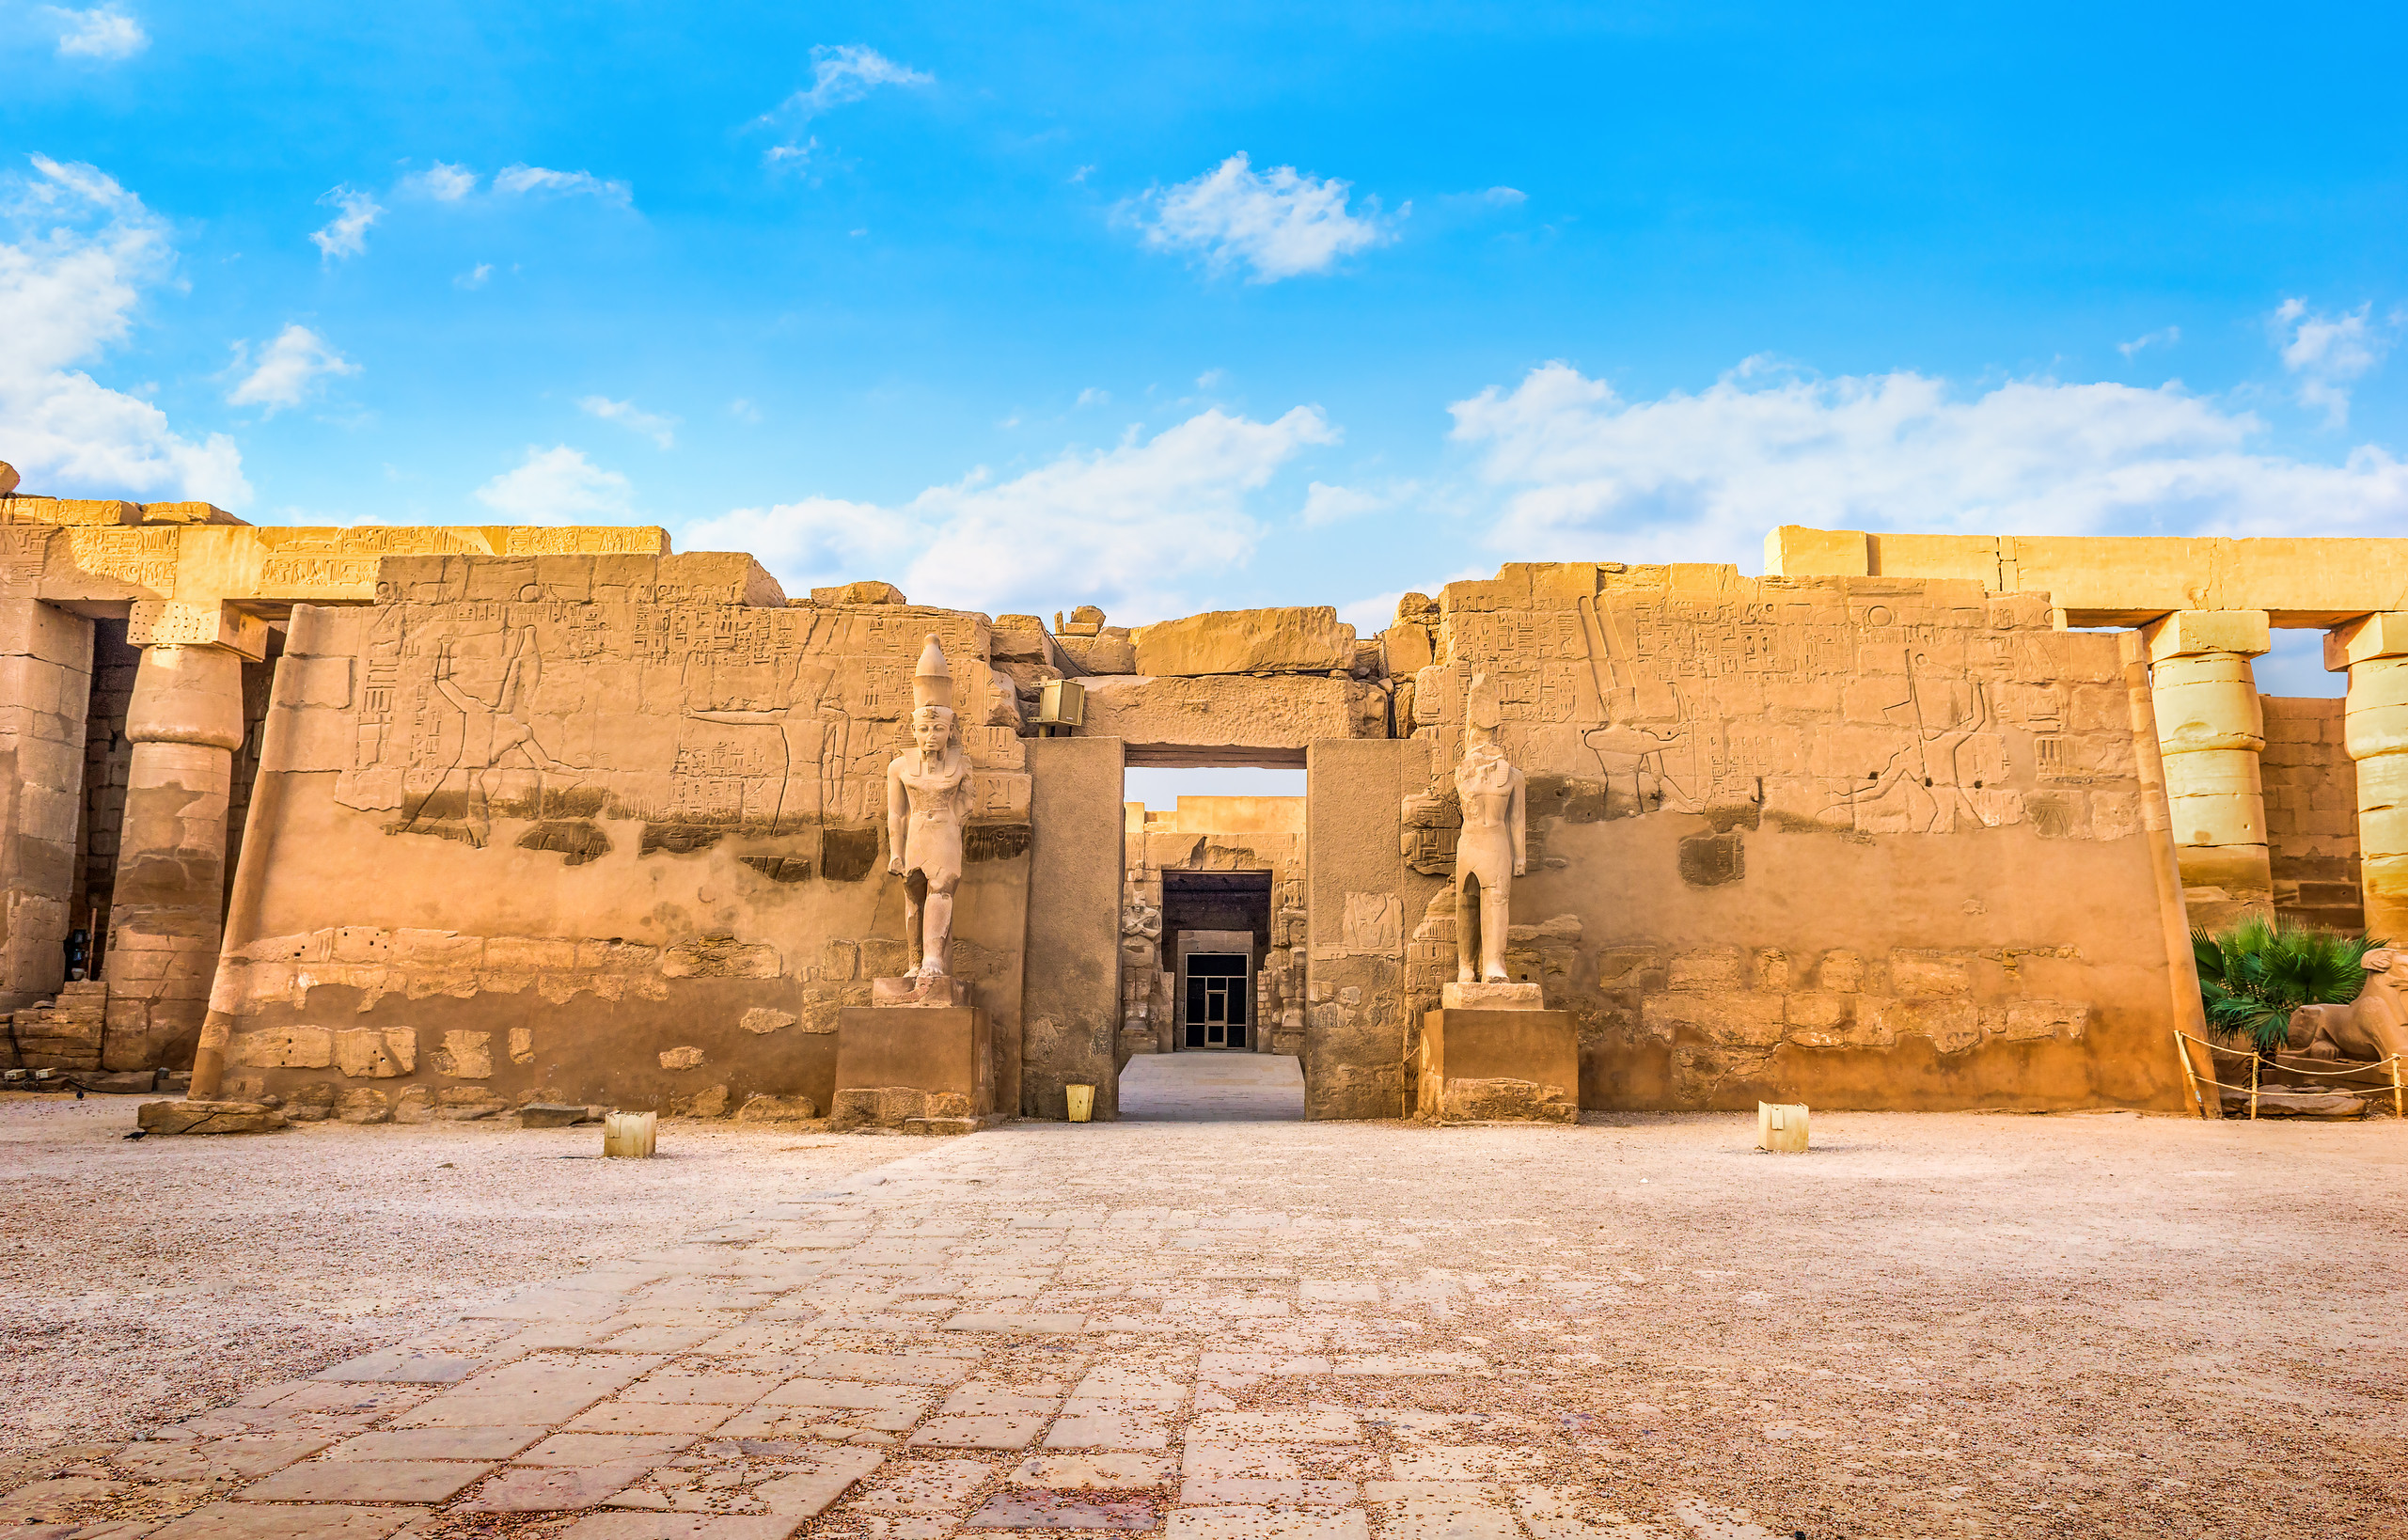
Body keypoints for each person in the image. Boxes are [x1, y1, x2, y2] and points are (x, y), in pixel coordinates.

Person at [887, 636, 973, 978]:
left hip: (946, 833)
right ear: (913, 730)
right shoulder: (899, 766)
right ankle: (914, 962)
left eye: (938, 729)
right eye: (924, 729)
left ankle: (933, 961)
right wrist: (895, 852)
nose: (931, 736)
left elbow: (967, 802)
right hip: (917, 833)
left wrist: (953, 824)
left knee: (941, 889)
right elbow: (896, 813)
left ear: (950, 730)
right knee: (914, 894)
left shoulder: (960, 764)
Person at [1453, 674, 1526, 985]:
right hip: (1470, 842)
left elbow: (1517, 819)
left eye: (1487, 733)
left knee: (1497, 901)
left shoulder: (1513, 776)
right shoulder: (1464, 771)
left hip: (1497, 841)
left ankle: (1494, 963)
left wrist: (1520, 857)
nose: (1482, 739)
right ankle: (1466, 965)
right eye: (1477, 732)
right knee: (1466, 902)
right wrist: (1476, 764)